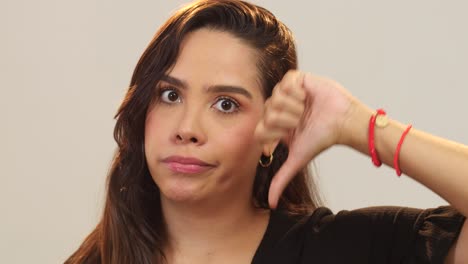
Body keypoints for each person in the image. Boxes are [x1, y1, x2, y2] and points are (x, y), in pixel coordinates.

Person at [65, 0, 467, 263]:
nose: (187, 128)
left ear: (273, 132)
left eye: (226, 104)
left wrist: (359, 126)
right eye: (170, 95)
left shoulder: (346, 249)